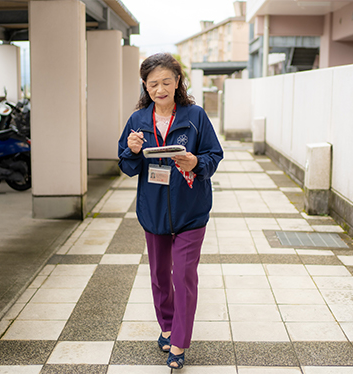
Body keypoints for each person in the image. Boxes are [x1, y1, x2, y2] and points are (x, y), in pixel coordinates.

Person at [118, 53, 224, 369]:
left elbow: (214, 155)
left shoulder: (195, 116)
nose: (160, 89)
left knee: (185, 274)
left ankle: (178, 343)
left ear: (178, 82)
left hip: (191, 210)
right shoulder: (138, 121)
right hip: (153, 211)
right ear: (145, 87)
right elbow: (126, 166)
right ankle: (166, 326)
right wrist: (132, 150)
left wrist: (197, 162)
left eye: (166, 81)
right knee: (160, 275)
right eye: (153, 84)